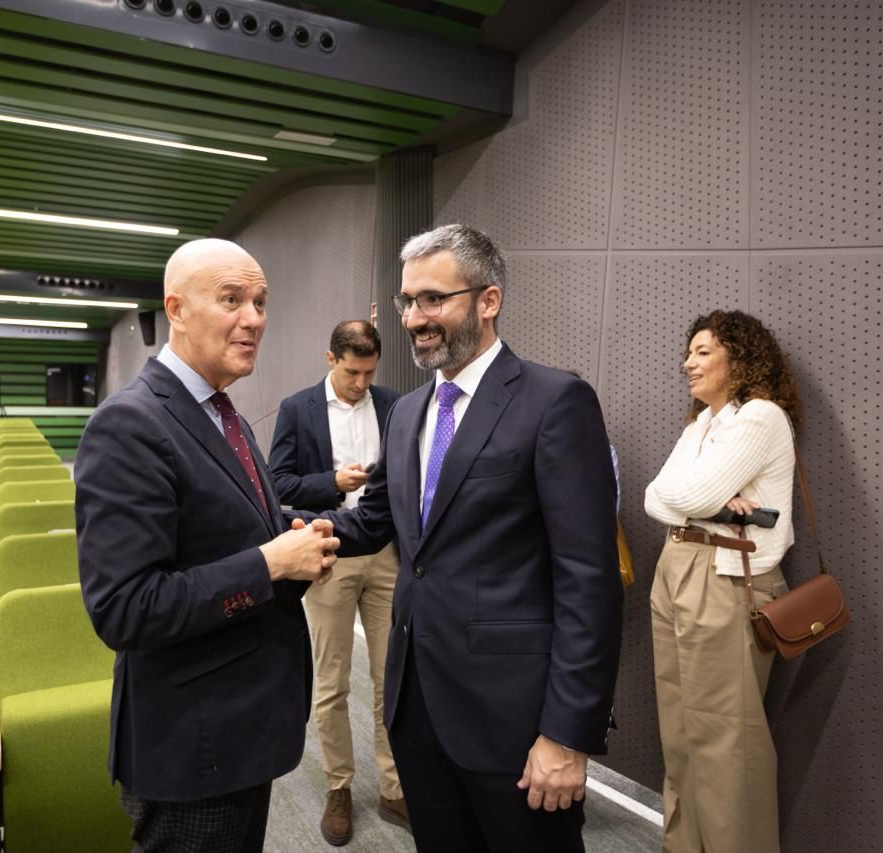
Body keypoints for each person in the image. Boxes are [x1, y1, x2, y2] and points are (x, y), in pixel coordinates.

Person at [319, 224, 623, 853]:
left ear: (488, 301)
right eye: (407, 301)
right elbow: (375, 522)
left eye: (434, 298)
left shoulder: (554, 402)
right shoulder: (406, 412)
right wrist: (289, 536)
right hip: (419, 710)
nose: (414, 318)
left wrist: (567, 736)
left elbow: (588, 584)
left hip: (516, 726)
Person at [74, 238, 340, 853]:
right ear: (177, 308)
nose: (254, 319)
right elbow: (125, 608)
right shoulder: (131, 424)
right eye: (231, 299)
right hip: (192, 744)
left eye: (260, 301)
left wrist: (297, 548)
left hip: (240, 728)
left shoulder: (228, 417)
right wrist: (269, 563)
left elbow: (232, 538)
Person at [643, 310, 801, 853]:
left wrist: (698, 501)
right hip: (678, 567)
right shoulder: (702, 423)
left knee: (727, 741)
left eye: (704, 351)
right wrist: (707, 502)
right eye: (689, 352)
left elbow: (683, 498)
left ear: (740, 357)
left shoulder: (760, 418)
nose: (689, 361)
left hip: (727, 577)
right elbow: (653, 497)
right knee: (681, 735)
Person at [268, 320, 408, 844]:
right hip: (327, 553)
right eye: (352, 372)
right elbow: (277, 481)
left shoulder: (393, 404)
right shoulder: (296, 409)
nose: (361, 383)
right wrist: (332, 483)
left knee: (390, 677)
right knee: (332, 682)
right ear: (331, 360)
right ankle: (340, 787)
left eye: (370, 372)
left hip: (388, 555)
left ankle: (395, 788)